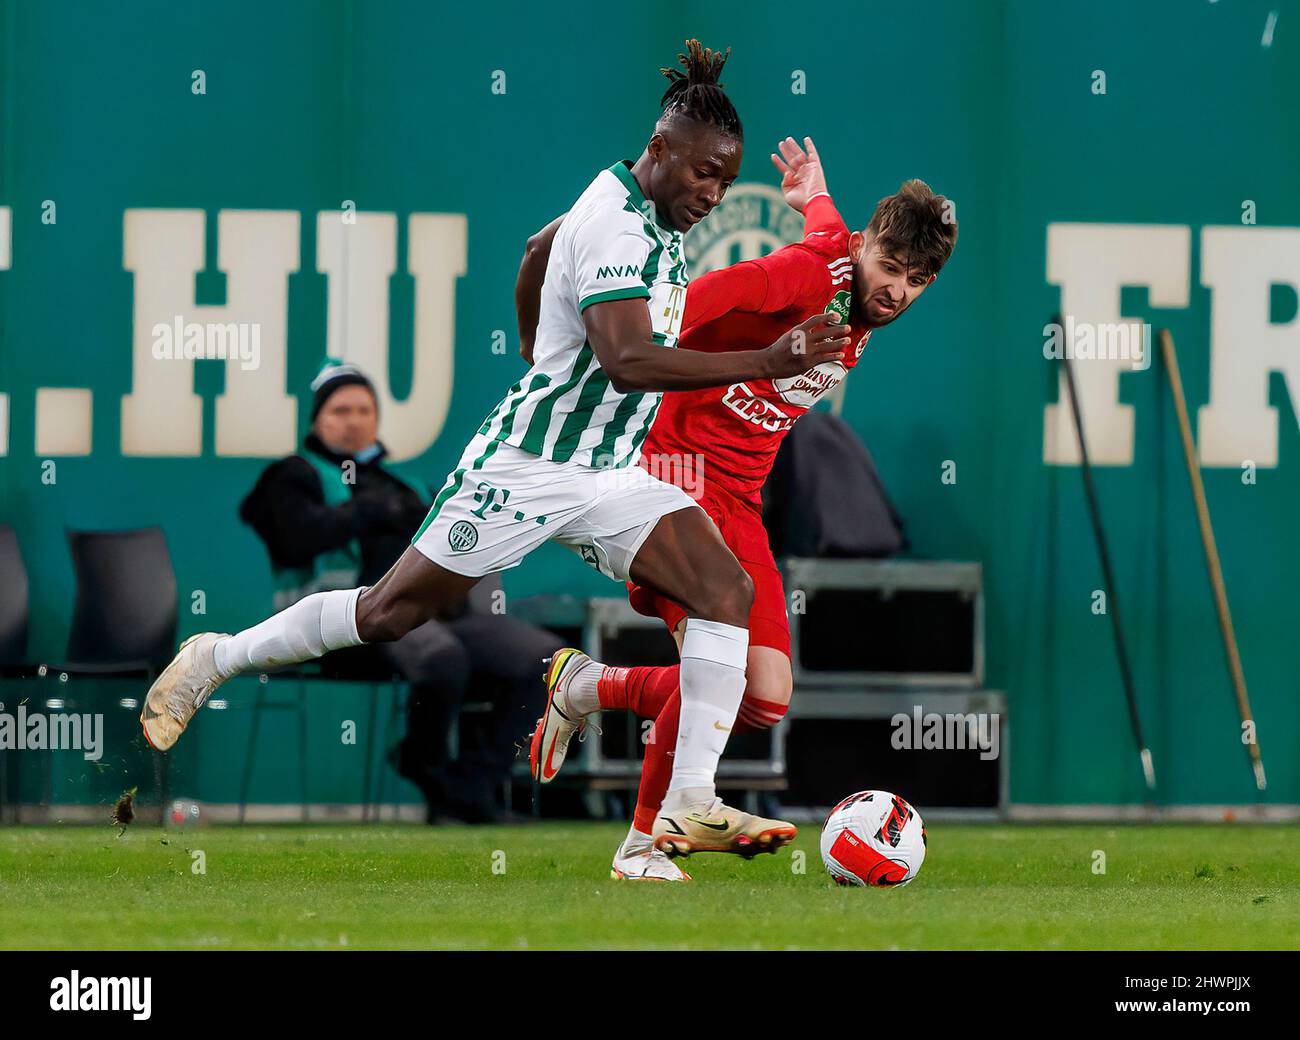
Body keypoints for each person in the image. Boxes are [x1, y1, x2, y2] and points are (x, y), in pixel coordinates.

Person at [138, 40, 851, 882]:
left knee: (724, 589)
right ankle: (216, 657)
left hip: (608, 469)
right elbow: (627, 361)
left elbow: (532, 249)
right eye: (703, 174)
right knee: (388, 614)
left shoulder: (633, 199)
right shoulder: (620, 225)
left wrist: (530, 344)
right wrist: (768, 361)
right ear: (658, 151)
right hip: (527, 468)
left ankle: (681, 807)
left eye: (725, 182)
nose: (713, 193)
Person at [523, 138, 958, 877]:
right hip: (671, 477)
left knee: (765, 697)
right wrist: (603, 361)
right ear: (862, 248)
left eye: (918, 281)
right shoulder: (802, 274)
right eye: (890, 269)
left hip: (738, 500)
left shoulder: (845, 259)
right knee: (709, 666)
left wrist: (814, 192)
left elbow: (826, 222)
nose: (898, 293)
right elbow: (683, 307)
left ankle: (591, 687)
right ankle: (641, 849)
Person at [237, 361, 560, 823]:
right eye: (340, 410)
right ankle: (425, 763)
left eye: (364, 409)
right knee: (443, 658)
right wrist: (362, 513)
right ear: (316, 419)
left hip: (437, 615)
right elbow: (294, 539)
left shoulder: (404, 483)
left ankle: (469, 786)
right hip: (343, 624)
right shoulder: (293, 475)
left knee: (546, 663)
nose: (354, 420)